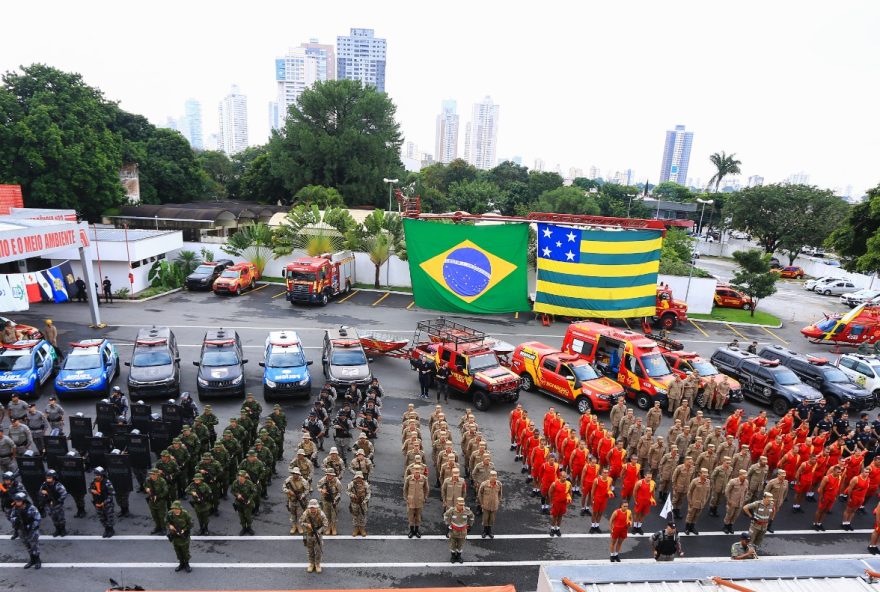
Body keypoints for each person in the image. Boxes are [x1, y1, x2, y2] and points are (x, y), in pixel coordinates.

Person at [11, 492, 41, 569]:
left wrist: (31, 526)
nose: (17, 502)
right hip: (22, 530)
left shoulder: (31, 508)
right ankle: (32, 560)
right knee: (27, 545)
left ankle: (37, 560)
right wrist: (16, 520)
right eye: (16, 501)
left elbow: (38, 518)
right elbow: (12, 517)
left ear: (23, 501)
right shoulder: (15, 508)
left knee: (34, 545)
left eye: (18, 501)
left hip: (31, 530)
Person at [443, 497, 475, 564]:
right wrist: (448, 525)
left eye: (462, 505)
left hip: (463, 532)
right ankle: (453, 556)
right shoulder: (452, 510)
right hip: (453, 531)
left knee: (460, 545)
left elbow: (472, 517)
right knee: (452, 545)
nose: (461, 506)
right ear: (456, 504)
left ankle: (459, 556)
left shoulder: (467, 510)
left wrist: (470, 525)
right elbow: (445, 515)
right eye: (460, 505)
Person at [38, 470, 68, 537]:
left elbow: (64, 494)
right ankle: (57, 529)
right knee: (53, 518)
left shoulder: (58, 485)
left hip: (57, 506)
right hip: (48, 505)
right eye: (47, 477)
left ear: (54, 477)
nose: (48, 479)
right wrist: (42, 493)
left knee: (61, 518)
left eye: (50, 477)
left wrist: (57, 501)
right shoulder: (44, 484)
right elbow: (40, 492)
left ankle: (63, 530)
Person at [300, 498, 327, 573]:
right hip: (309, 534)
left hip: (318, 535)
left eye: (314, 507)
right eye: (311, 507)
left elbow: (325, 524)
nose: (312, 509)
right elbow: (301, 521)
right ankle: (311, 563)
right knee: (310, 550)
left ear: (317, 507)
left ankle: (317, 564)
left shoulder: (321, 514)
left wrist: (319, 531)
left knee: (318, 550)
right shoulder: (306, 513)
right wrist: (307, 524)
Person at [165, 500, 193, 573]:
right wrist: (169, 525)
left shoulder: (185, 514)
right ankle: (181, 563)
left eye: (177, 509)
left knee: (185, 552)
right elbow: (166, 520)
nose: (175, 510)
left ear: (180, 508)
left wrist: (184, 529)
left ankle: (186, 564)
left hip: (184, 536)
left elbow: (191, 524)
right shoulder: (170, 514)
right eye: (174, 509)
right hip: (175, 536)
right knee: (178, 551)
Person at [90, 466, 116, 538]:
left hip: (107, 504)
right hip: (97, 503)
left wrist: (104, 502)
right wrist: (92, 491)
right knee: (102, 518)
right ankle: (106, 529)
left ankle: (111, 530)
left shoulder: (107, 482)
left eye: (98, 475)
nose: (97, 476)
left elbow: (112, 494)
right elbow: (90, 489)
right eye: (96, 475)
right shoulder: (93, 482)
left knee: (109, 517)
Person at [404, 465, 429, 538]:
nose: (417, 473)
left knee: (418, 516)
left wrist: (425, 497)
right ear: (413, 471)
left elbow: (426, 489)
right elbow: (405, 489)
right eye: (415, 471)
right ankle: (411, 531)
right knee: (411, 516)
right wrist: (406, 498)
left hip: (419, 500)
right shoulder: (409, 478)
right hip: (411, 500)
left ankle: (417, 530)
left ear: (420, 472)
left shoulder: (424, 479)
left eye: (418, 472)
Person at [284, 467, 310, 535]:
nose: (295, 475)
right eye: (294, 473)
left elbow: (307, 490)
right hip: (292, 499)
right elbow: (284, 487)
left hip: (300, 500)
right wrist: (289, 491)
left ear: (299, 474)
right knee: (293, 513)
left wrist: (302, 496)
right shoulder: (288, 480)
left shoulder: (303, 481)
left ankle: (299, 526)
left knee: (299, 514)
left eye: (297, 474)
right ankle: (294, 526)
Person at [231, 470, 258, 535]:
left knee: (248, 517)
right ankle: (243, 528)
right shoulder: (235, 482)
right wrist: (237, 495)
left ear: (245, 477)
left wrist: (249, 499)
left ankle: (249, 527)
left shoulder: (249, 483)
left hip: (247, 503)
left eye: (242, 476)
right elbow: (232, 491)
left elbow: (254, 492)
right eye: (239, 476)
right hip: (239, 503)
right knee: (241, 517)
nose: (240, 477)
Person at [477, 470, 502, 539]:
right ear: (489, 476)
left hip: (494, 505)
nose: (494, 477)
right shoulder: (484, 484)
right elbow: (480, 493)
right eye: (492, 476)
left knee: (492, 519)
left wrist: (498, 501)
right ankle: (485, 531)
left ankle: (489, 531)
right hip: (486, 505)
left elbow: (500, 494)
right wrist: (481, 503)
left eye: (495, 476)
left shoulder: (499, 484)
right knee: (485, 519)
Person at [145, 468, 170, 535]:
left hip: (160, 501)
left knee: (161, 516)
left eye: (154, 474)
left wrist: (158, 496)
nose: (152, 475)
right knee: (154, 515)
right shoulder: (148, 480)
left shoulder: (162, 481)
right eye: (151, 474)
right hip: (152, 500)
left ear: (157, 475)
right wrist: (146, 489)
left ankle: (163, 528)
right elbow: (145, 485)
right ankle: (157, 527)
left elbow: (165, 491)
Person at [317, 468, 341, 536]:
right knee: (326, 513)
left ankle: (333, 527)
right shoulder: (323, 480)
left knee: (334, 514)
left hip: (333, 499)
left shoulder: (337, 482)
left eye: (331, 475)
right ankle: (328, 527)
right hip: (325, 499)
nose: (329, 476)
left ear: (333, 475)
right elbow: (318, 486)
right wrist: (322, 490)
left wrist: (335, 500)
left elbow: (339, 492)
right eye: (328, 475)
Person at [347, 470, 371, 537]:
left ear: (362, 477)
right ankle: (356, 528)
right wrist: (352, 495)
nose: (358, 479)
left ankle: (362, 528)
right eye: (357, 477)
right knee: (355, 515)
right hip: (354, 503)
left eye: (359, 477)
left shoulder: (365, 484)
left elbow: (368, 494)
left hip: (363, 503)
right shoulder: (351, 484)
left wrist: (364, 501)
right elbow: (347, 491)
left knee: (363, 515)